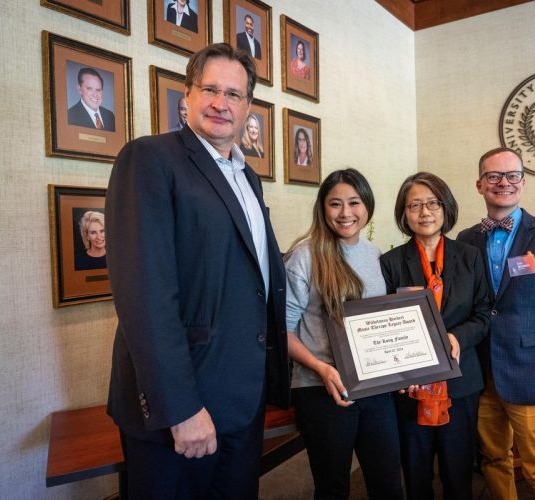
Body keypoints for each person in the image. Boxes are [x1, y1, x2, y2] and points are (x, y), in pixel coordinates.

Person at [105, 43, 289, 499]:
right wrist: (181, 408)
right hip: (182, 409)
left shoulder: (248, 176)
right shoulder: (149, 159)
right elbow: (144, 294)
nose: (220, 103)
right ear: (186, 96)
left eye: (234, 94)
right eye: (209, 89)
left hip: (241, 401)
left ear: (249, 107)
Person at [457, 147, 535, 500]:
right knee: (493, 459)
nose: (503, 183)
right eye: (494, 176)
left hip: (531, 373)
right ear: (479, 185)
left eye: (512, 175)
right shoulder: (466, 240)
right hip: (481, 374)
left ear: (523, 183)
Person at [285, 168, 403, 500]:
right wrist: (321, 368)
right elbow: (282, 331)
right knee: (333, 486)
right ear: (323, 208)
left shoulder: (375, 253)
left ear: (367, 205)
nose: (346, 213)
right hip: (321, 389)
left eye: (354, 202)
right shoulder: (304, 257)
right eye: (335, 204)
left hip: (376, 387)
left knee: (387, 483)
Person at [380, 172, 491, 500]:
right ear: (404, 213)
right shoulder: (390, 263)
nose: (424, 212)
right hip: (410, 385)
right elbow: (386, 324)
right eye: (414, 205)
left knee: (459, 473)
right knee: (415, 474)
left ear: (446, 209)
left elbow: (484, 314)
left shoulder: (469, 256)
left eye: (432, 203)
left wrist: (457, 337)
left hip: (461, 383)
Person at [67, 67, 116, 132]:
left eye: (98, 90)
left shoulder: (110, 116)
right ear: (79, 89)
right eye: (89, 88)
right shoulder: (70, 116)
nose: (95, 94)